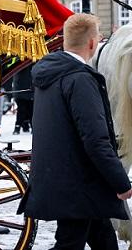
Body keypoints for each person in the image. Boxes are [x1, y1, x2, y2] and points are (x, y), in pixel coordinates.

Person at [20, 14, 132, 249]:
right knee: (70, 244)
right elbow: (96, 140)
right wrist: (121, 182)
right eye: (99, 37)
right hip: (79, 186)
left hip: (69, 181)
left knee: (105, 241)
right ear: (92, 43)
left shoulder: (50, 74)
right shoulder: (80, 79)